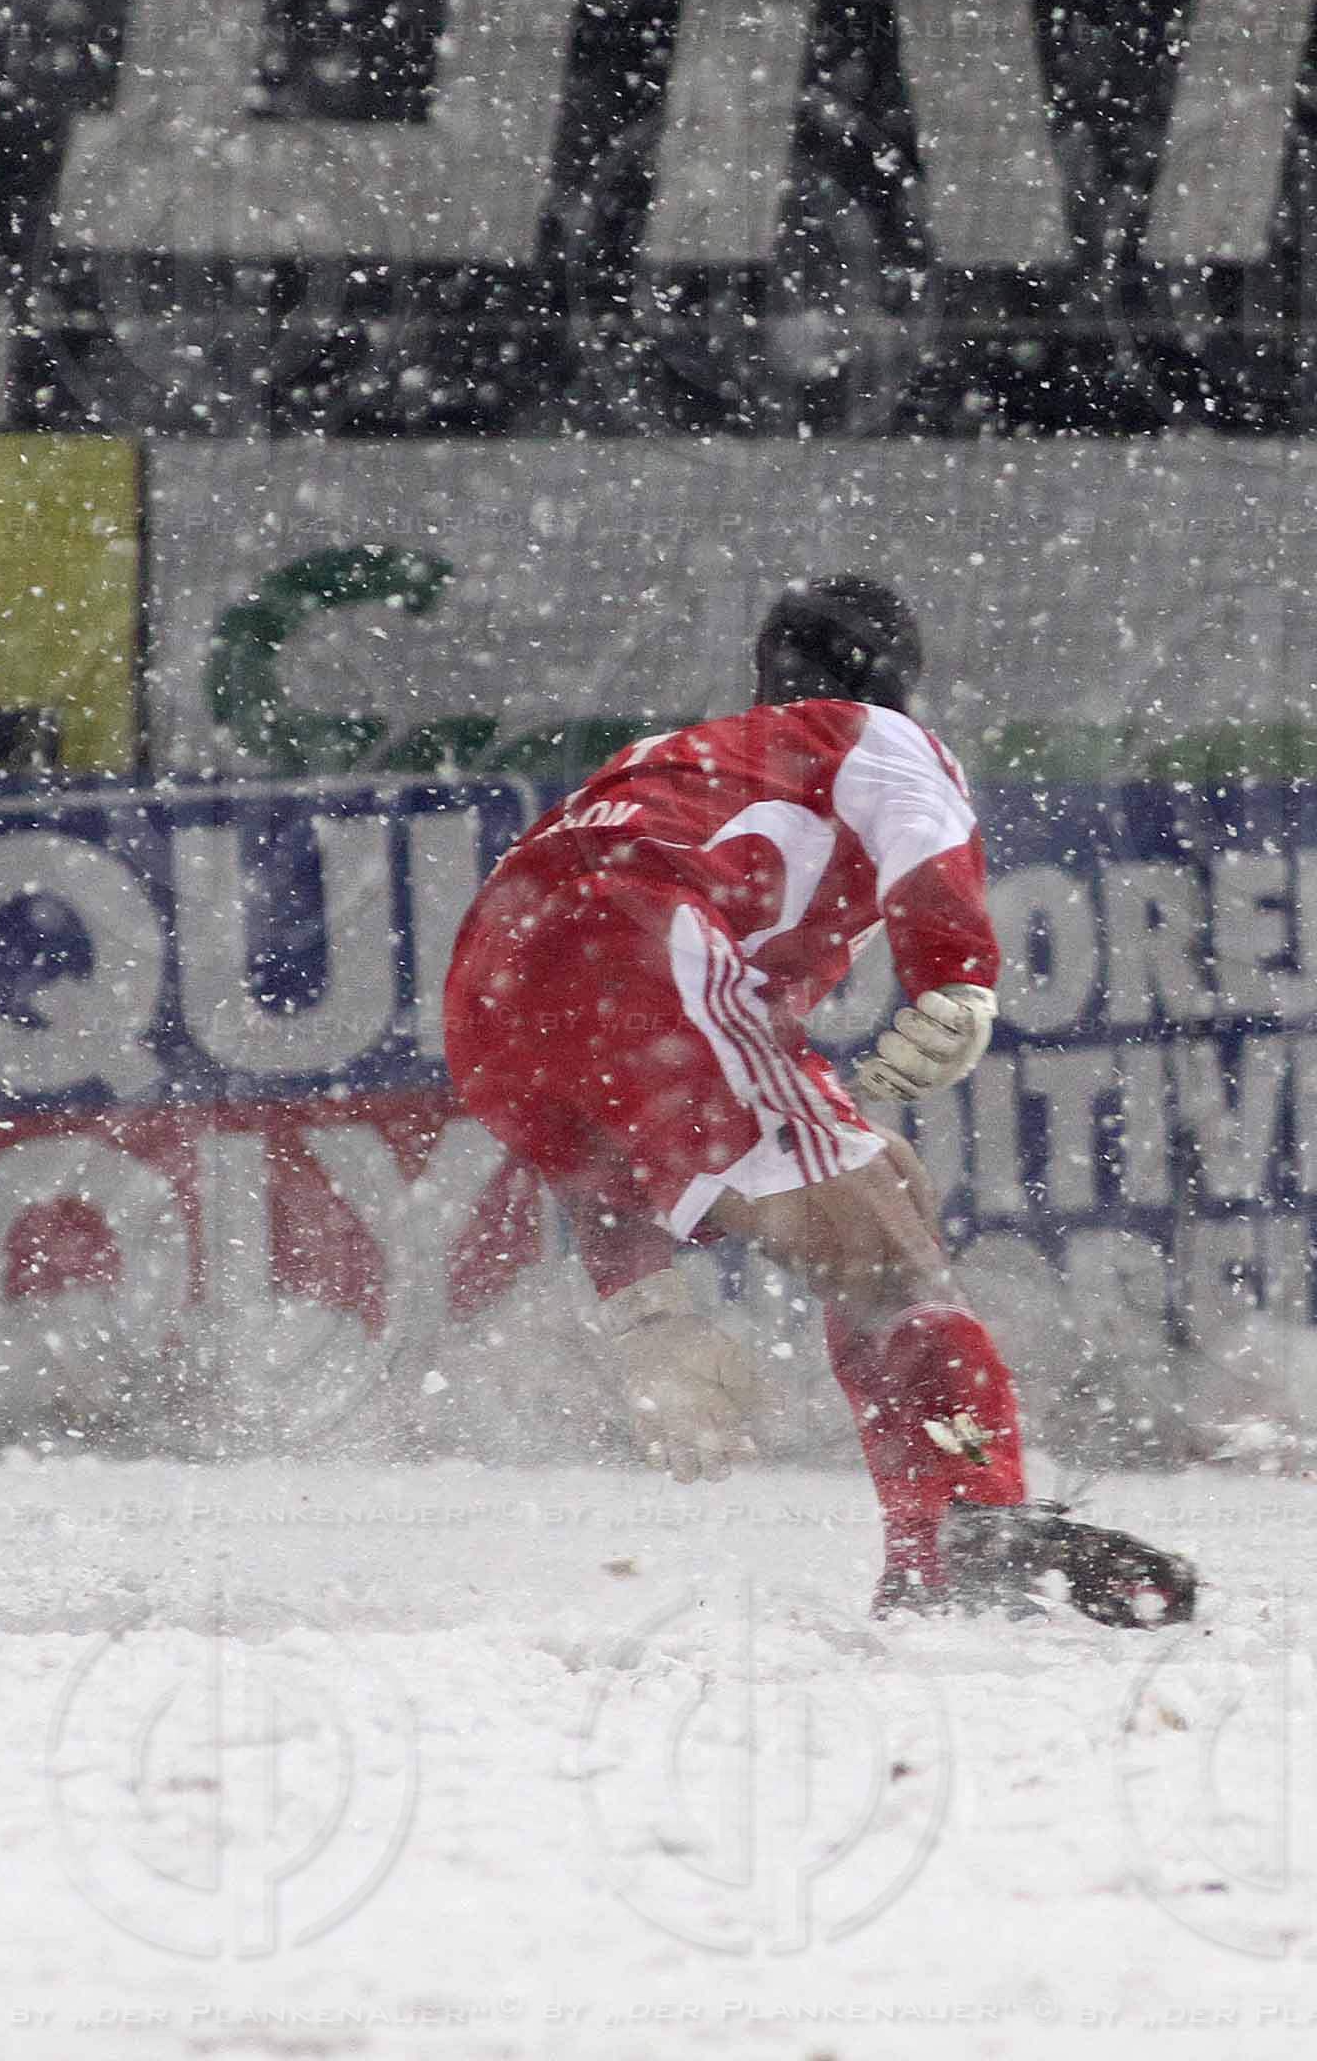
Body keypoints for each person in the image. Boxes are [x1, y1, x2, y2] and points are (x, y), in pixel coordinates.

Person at [443, 577, 1196, 1628]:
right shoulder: (867, 733)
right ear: (897, 681)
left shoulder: (659, 763)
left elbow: (591, 1088)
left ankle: (942, 1540)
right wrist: (957, 976)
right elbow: (927, 848)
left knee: (870, 1186)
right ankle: (966, 1528)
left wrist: (645, 1307)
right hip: (647, 946)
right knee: (896, 1260)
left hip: (484, 991)